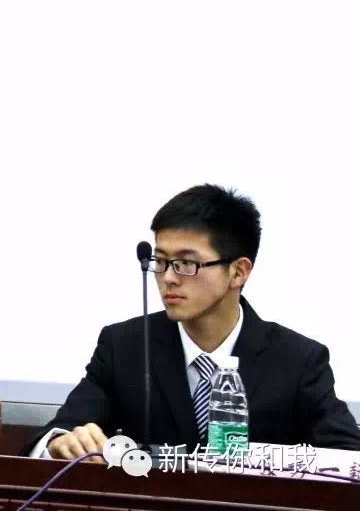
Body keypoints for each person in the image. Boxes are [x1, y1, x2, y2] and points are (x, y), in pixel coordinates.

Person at [34, 184, 360, 458]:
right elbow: (56, 435)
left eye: (186, 264)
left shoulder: (298, 360)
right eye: (161, 261)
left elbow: (349, 457)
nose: (168, 278)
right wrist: (60, 444)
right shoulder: (125, 346)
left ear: (238, 272)